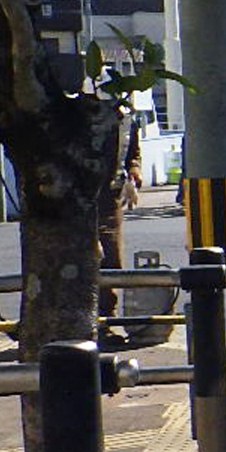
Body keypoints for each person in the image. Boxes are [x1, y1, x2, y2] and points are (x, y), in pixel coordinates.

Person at [97, 118, 142, 348]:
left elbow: (132, 150)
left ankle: (105, 320)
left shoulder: (126, 116)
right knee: (83, 259)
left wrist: (134, 168)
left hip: (111, 196)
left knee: (111, 260)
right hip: (78, 194)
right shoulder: (84, 107)